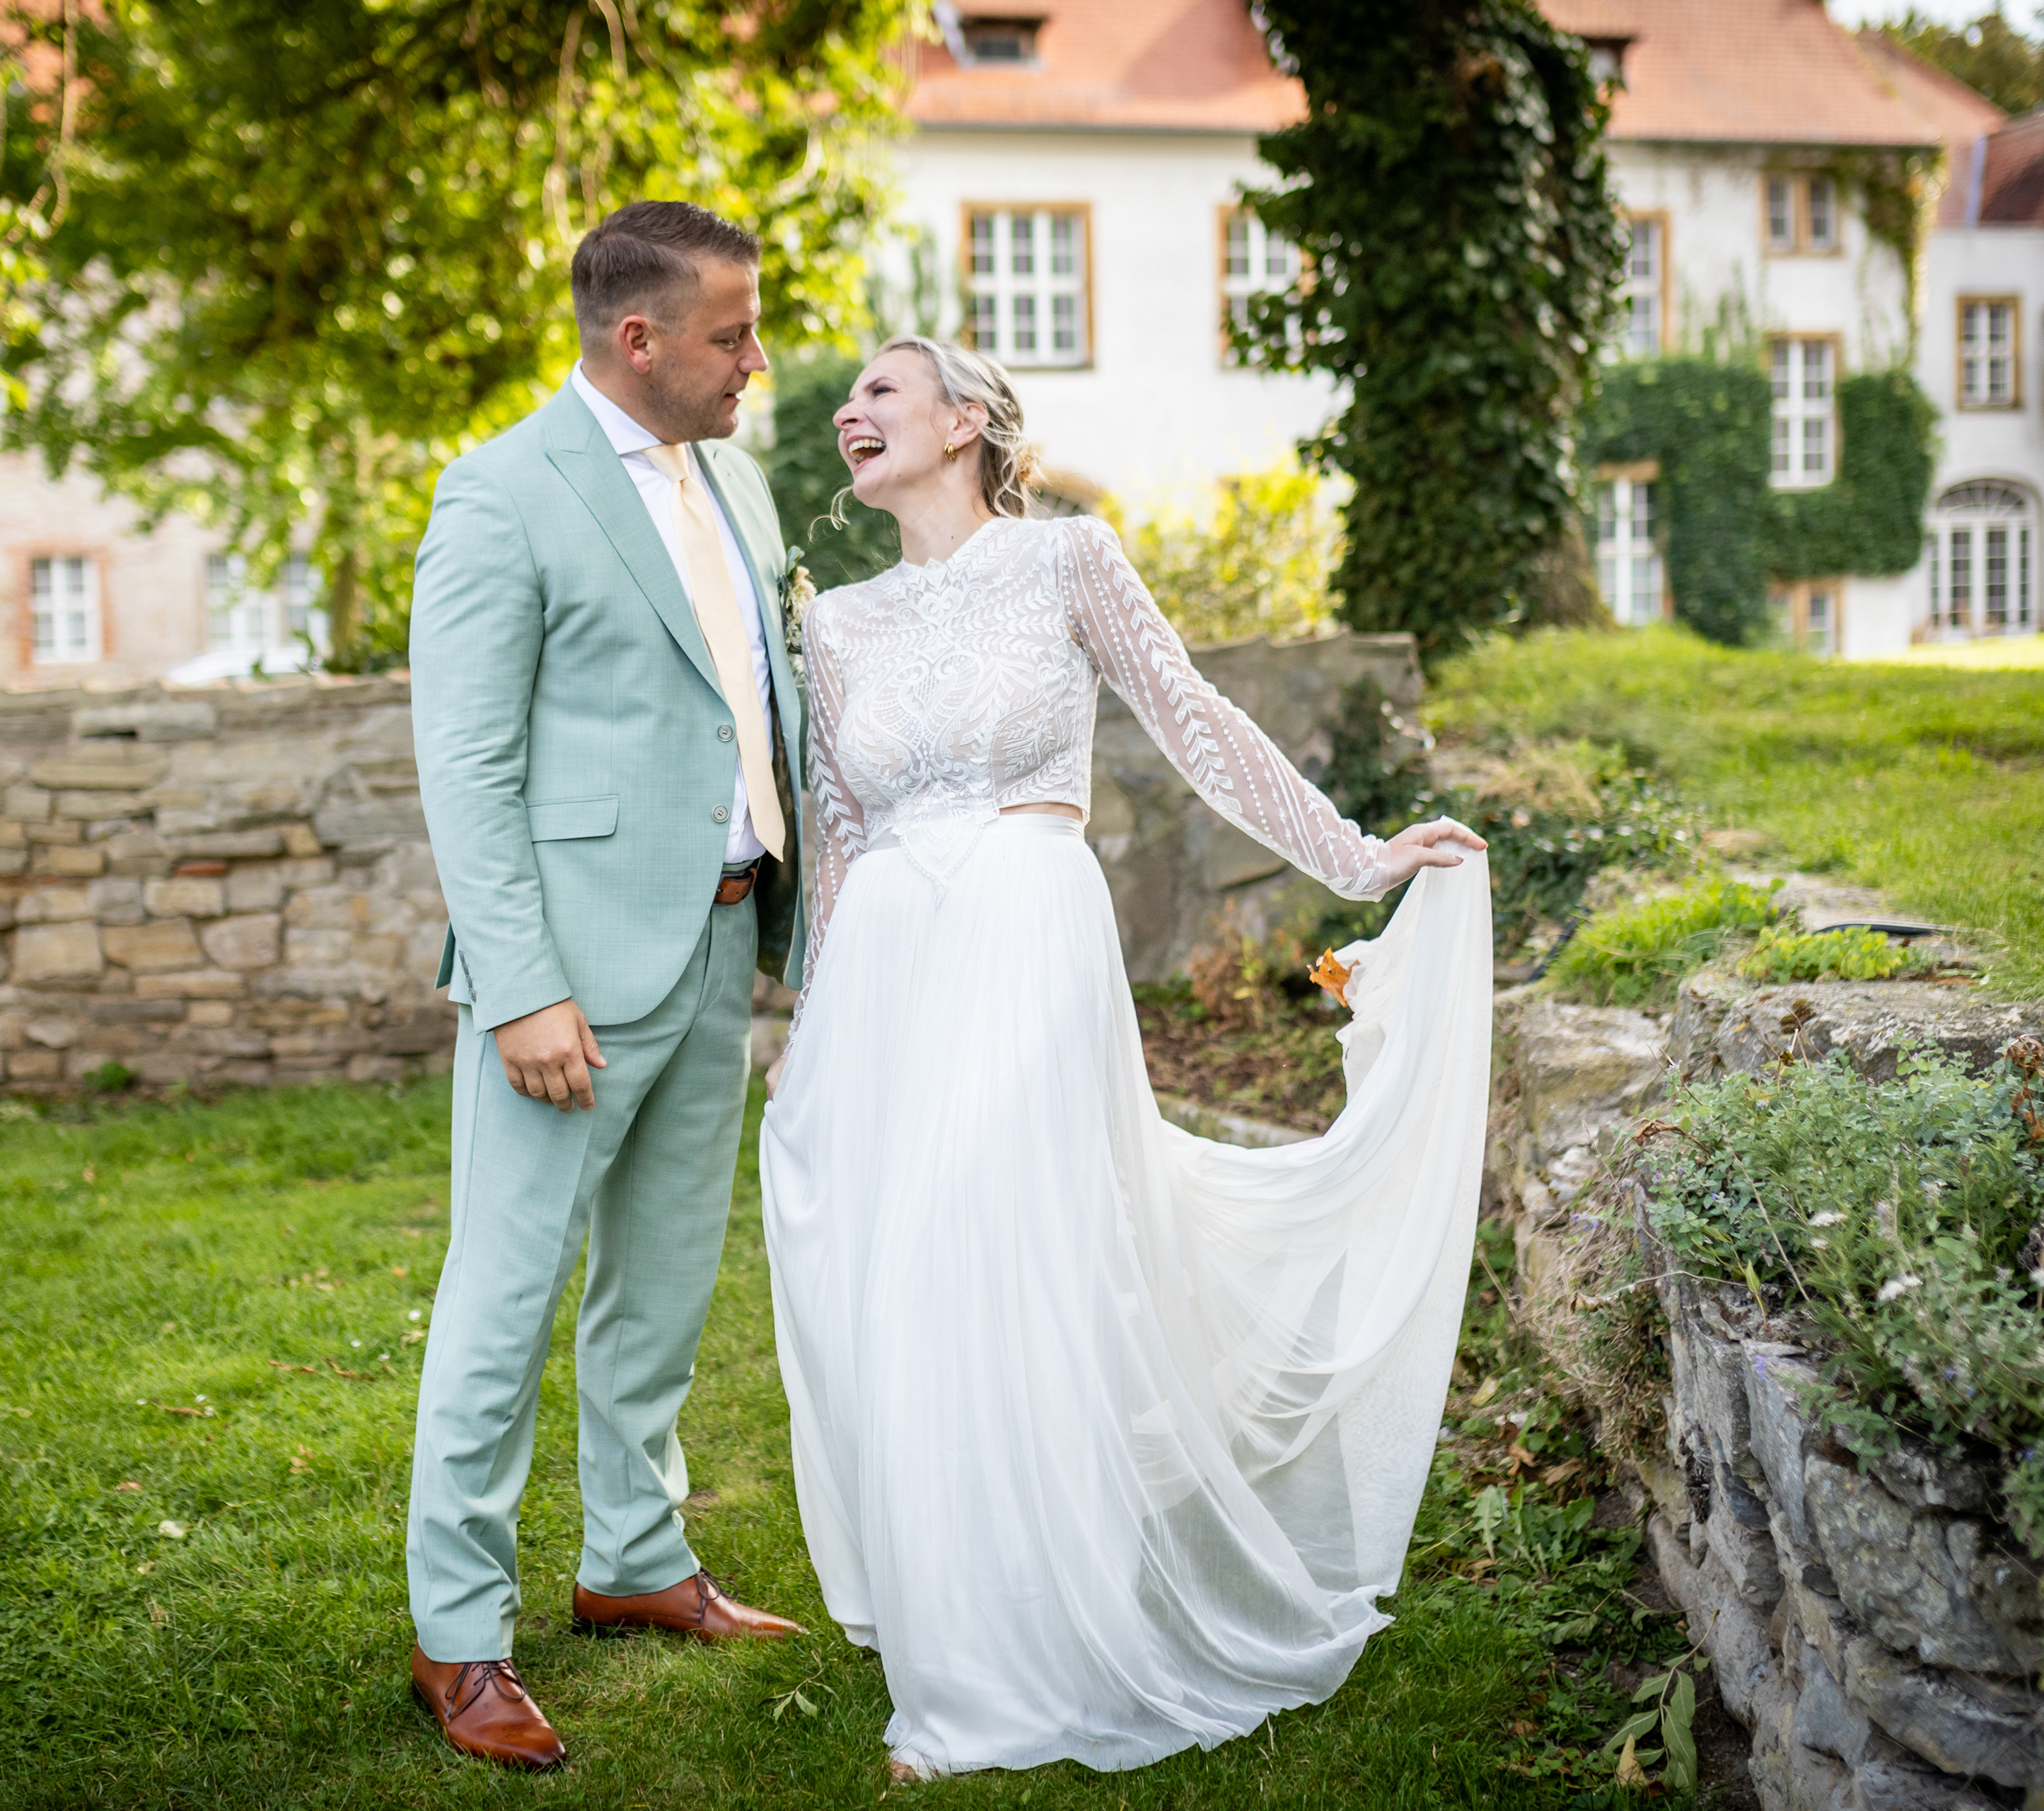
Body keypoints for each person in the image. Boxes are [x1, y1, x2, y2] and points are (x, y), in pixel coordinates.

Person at [759, 335, 1496, 1779]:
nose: (849, 412)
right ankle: (958, 1617)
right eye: (847, 400)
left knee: (1015, 1241)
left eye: (881, 391)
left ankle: (1011, 1668)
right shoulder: (834, 623)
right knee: (906, 1275)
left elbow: (1199, 724)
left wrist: (1357, 856)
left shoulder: (1068, 563)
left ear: (968, 419)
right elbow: (840, 839)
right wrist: (807, 1025)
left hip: (1028, 930)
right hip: (890, 966)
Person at [402, 200, 809, 1772]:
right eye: (731, 335)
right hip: (564, 979)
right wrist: (519, 986)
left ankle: (635, 1558)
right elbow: (469, 768)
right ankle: (459, 1636)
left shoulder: (744, 485)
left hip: (717, 941)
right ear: (637, 337)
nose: (754, 362)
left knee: (661, 1286)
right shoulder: (501, 494)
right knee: (502, 1305)